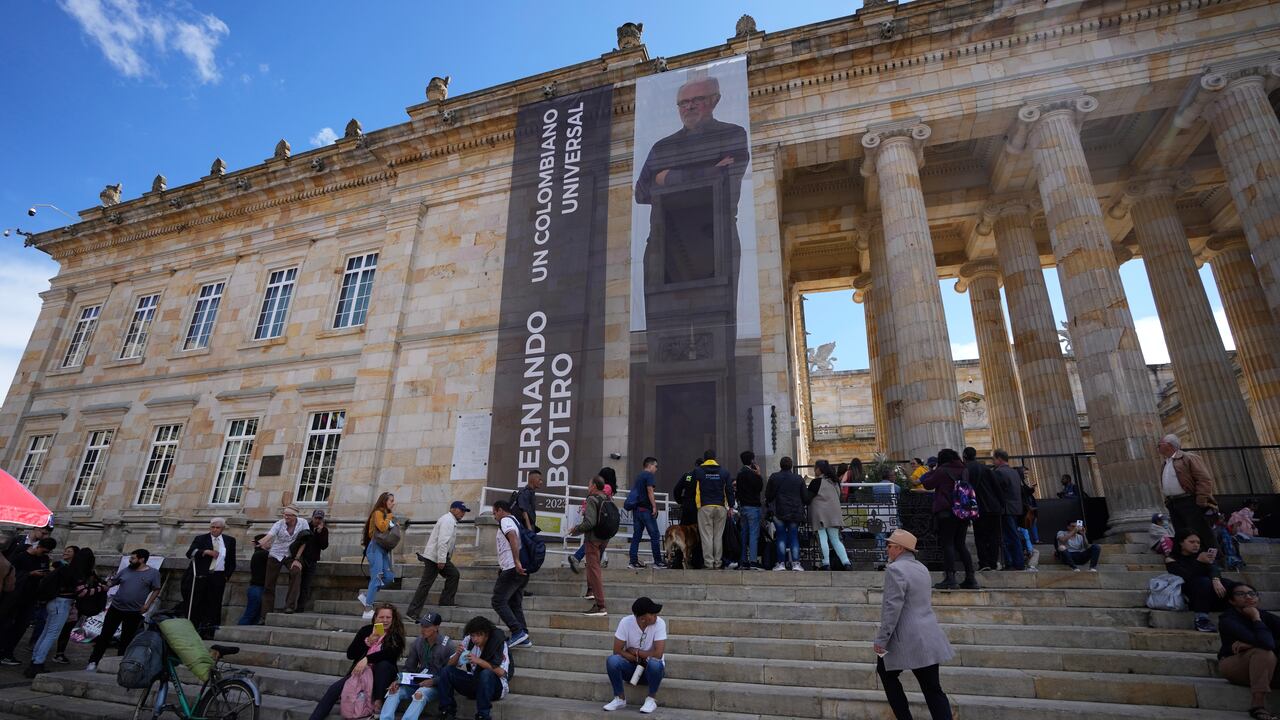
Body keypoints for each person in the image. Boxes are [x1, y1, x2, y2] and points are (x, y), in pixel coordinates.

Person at [874, 530, 955, 720]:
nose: (887, 549)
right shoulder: (921, 568)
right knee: (933, 689)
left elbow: (891, 608)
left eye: (890, 546)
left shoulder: (895, 570)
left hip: (904, 637)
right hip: (928, 634)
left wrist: (881, 640)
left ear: (900, 548)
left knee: (885, 673)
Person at [307, 602, 406, 720]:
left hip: (383, 677)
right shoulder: (366, 630)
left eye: (388, 617)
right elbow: (350, 654)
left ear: (393, 619)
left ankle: (379, 703)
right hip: (361, 672)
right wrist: (368, 642)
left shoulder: (396, 635)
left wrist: (367, 659)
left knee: (383, 665)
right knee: (334, 689)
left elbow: (390, 654)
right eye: (381, 617)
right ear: (375, 618)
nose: (385, 620)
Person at [85, 548, 161, 671]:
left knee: (126, 639)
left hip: (134, 611)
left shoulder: (153, 573)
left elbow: (156, 589)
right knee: (105, 635)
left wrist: (147, 605)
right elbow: (113, 583)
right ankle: (93, 661)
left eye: (133, 558)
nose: (130, 560)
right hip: (116, 608)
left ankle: (119, 664)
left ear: (141, 559)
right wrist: (105, 583)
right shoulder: (126, 570)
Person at [25, 546, 92, 678]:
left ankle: (35, 659)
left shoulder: (66, 568)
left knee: (46, 632)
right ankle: (38, 663)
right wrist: (99, 589)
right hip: (62, 604)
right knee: (51, 634)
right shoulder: (76, 571)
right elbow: (81, 592)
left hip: (54, 601)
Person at [1216, 583, 1280, 720]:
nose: (1248, 597)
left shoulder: (1268, 617)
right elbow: (1267, 644)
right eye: (1241, 594)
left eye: (1252, 593)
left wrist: (1250, 644)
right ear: (1231, 600)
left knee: (1264, 649)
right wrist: (1256, 618)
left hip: (1266, 669)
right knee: (1263, 652)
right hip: (1234, 664)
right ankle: (1257, 705)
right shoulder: (1228, 619)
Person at [922, 449, 979, 590]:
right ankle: (971, 578)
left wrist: (932, 471)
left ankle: (950, 578)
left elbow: (927, 484)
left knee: (947, 544)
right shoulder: (964, 470)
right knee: (961, 544)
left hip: (947, 512)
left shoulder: (941, 471)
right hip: (963, 512)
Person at [380, 612, 454, 720]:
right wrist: (399, 680)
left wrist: (434, 681)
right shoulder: (418, 642)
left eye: (427, 626)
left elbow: (450, 673)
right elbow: (409, 667)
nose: (423, 629)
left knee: (419, 694)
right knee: (394, 690)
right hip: (419, 679)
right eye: (422, 625)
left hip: (437, 684)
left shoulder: (448, 645)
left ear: (436, 627)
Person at [436, 615, 511, 720]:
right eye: (472, 635)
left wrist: (479, 661)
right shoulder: (469, 640)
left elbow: (502, 672)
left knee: (485, 673)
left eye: (478, 635)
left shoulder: (499, 643)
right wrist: (458, 654)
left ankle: (483, 716)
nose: (475, 639)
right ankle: (447, 711)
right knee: (446, 671)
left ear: (486, 634)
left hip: (496, 687)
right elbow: (450, 664)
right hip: (475, 681)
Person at [1166, 530, 1241, 633]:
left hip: (1209, 591)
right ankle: (1201, 619)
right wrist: (1198, 562)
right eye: (1191, 542)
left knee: (1230, 584)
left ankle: (1241, 612)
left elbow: (1214, 569)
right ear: (1181, 543)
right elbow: (1186, 576)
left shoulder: (1202, 555)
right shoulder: (1171, 559)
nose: (1196, 545)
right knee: (1202, 581)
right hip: (1190, 593)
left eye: (1198, 542)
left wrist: (1216, 579)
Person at [602, 597, 667, 714]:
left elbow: (658, 654)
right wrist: (634, 658)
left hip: (651, 671)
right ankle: (619, 699)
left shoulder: (660, 623)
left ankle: (651, 699)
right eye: (652, 613)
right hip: (632, 668)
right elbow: (616, 650)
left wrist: (636, 652)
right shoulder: (625, 623)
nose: (656, 615)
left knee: (654, 663)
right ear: (642, 619)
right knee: (612, 661)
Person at [408, 501, 469, 620]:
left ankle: (445, 602)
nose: (463, 514)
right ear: (453, 509)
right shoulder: (448, 520)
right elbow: (443, 542)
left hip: (437, 557)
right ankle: (412, 612)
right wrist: (442, 560)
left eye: (464, 512)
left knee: (452, 575)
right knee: (427, 584)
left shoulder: (450, 520)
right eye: (461, 511)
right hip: (435, 558)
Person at [0, 537, 55, 666]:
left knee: (21, 626)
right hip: (14, 595)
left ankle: (8, 652)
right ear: (38, 546)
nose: (44, 554)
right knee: (6, 623)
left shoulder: (44, 559)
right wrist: (30, 574)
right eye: (43, 551)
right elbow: (11, 574)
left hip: (31, 597)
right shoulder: (20, 556)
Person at [1158, 433, 1218, 551]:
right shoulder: (1166, 462)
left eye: (1160, 444)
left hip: (1189, 500)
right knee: (1182, 533)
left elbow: (1203, 479)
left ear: (1169, 445)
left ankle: (1215, 559)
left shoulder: (1188, 457)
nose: (1158, 447)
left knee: (1200, 531)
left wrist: (1201, 500)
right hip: (1174, 502)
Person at [181, 517, 237, 638]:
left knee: (214, 604)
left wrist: (226, 576)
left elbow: (231, 560)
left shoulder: (229, 540)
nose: (215, 530)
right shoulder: (201, 538)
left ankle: (210, 630)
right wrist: (206, 552)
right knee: (197, 602)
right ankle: (194, 628)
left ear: (222, 529)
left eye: (217, 528)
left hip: (218, 576)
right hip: (201, 576)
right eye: (213, 527)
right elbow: (190, 553)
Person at [490, 501, 532, 647]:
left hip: (512, 568)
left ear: (500, 510)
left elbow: (512, 536)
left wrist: (516, 561)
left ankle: (517, 632)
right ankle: (524, 636)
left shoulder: (506, 520)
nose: (494, 516)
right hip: (519, 569)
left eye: (494, 513)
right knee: (514, 603)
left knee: (498, 601)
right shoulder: (516, 521)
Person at [259, 505, 309, 622]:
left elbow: (304, 541)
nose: (285, 517)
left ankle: (289, 606)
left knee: (296, 572)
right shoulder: (279, 524)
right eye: (284, 514)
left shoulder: (303, 523)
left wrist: (297, 559)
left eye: (288, 515)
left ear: (295, 516)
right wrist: (260, 542)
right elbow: (269, 536)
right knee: (269, 583)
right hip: (276, 553)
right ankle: (265, 614)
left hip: (291, 554)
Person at [571, 477, 611, 617]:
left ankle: (600, 606)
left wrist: (575, 530)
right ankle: (591, 593)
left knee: (594, 571)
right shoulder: (607, 498)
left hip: (593, 539)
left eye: (589, 484)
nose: (588, 487)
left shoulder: (591, 500)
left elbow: (589, 523)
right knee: (593, 568)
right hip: (604, 538)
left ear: (594, 486)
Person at [693, 451, 734, 570]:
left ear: (705, 459)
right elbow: (729, 490)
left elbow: (694, 489)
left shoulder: (698, 471)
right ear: (715, 458)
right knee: (718, 536)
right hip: (720, 507)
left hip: (704, 506)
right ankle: (718, 562)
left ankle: (709, 563)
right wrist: (731, 506)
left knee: (707, 536)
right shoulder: (724, 472)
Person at [963, 447, 1002, 572]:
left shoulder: (965, 470)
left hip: (978, 508)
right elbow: (997, 488)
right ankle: (993, 562)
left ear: (964, 456)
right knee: (994, 536)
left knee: (980, 536)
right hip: (993, 507)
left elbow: (964, 492)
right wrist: (1000, 504)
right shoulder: (987, 469)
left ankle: (984, 562)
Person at [361, 493, 398, 619]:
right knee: (377, 577)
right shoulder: (378, 512)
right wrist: (389, 517)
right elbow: (382, 527)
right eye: (391, 501)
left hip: (383, 549)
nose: (393, 503)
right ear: (384, 501)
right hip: (375, 547)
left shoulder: (386, 514)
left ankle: (367, 596)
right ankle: (367, 608)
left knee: (388, 577)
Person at [766, 457, 806, 571]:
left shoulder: (774, 477)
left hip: (778, 511)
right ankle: (796, 564)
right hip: (794, 512)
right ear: (791, 466)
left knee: (781, 537)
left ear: (780, 465)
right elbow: (804, 496)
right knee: (794, 537)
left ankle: (781, 563)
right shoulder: (798, 478)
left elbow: (768, 495)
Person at [810, 460, 851, 571]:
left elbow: (807, 497)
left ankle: (826, 564)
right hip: (834, 514)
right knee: (835, 539)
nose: (814, 470)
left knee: (822, 538)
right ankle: (846, 563)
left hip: (820, 514)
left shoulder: (817, 482)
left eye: (815, 468)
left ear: (819, 469)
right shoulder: (834, 481)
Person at [569, 482, 614, 574]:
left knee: (591, 543)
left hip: (595, 525)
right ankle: (587, 562)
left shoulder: (592, 498)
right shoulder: (605, 500)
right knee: (595, 544)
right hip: (600, 527)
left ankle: (579, 558)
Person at [628, 457, 665, 570]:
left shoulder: (639, 476)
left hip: (637, 510)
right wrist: (654, 506)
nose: (656, 469)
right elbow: (650, 491)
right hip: (646, 510)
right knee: (654, 535)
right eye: (656, 466)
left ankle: (633, 562)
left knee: (636, 536)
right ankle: (658, 562)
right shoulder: (649, 476)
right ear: (650, 466)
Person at [992, 450, 1025, 571]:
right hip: (1016, 508)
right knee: (1014, 535)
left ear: (999, 459)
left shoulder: (999, 472)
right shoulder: (1014, 472)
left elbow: (997, 491)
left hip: (1006, 509)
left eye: (994, 459)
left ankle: (1012, 562)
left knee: (1007, 537)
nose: (993, 462)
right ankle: (1018, 562)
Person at [291, 509, 329, 613]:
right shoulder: (306, 526)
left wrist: (320, 533)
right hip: (302, 558)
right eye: (316, 518)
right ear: (312, 517)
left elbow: (324, 546)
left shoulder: (324, 530)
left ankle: (300, 607)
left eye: (320, 519)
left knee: (306, 585)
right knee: (296, 582)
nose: (317, 520)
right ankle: (290, 604)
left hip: (312, 560)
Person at [735, 452, 764, 570]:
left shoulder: (740, 473)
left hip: (743, 507)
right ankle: (753, 560)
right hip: (753, 507)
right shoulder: (752, 474)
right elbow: (759, 487)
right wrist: (759, 474)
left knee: (744, 534)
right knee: (753, 534)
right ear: (752, 460)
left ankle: (743, 560)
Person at [237, 534, 268, 625]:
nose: (271, 542)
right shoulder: (263, 554)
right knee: (251, 614)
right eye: (268, 540)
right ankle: (239, 631)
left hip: (256, 587)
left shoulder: (257, 553)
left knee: (254, 615)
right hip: (257, 588)